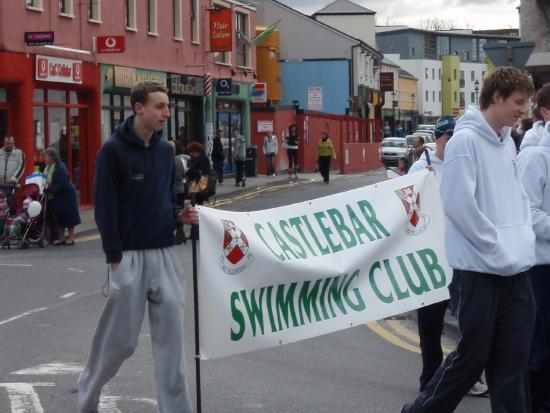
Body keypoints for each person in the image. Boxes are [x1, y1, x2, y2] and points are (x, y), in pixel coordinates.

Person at [402, 67, 536, 413]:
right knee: (471, 358)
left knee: (512, 363)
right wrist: (497, 246)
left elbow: (518, 197)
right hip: (478, 270)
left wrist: (522, 241)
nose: (523, 110)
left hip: (516, 271)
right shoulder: (465, 141)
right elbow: (460, 206)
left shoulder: (507, 142)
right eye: (518, 102)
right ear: (497, 97)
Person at [78, 81, 199, 413]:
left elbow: (162, 202)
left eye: (167, 106)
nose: (166, 112)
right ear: (138, 107)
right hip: (128, 257)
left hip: (165, 255)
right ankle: (87, 393)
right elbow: (105, 208)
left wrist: (180, 216)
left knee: (172, 346)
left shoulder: (166, 152)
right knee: (121, 345)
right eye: (159, 106)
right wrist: (114, 260)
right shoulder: (113, 151)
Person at [517, 83, 550, 413]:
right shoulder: (534, 156)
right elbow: (529, 213)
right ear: (545, 113)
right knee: (539, 353)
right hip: (540, 269)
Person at [43, 147, 80, 246]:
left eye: (46, 156)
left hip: (66, 196)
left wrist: (48, 187)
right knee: (59, 217)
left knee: (69, 217)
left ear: (52, 157)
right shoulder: (48, 167)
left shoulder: (60, 168)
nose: (44, 158)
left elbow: (63, 184)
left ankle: (71, 238)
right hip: (57, 196)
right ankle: (61, 238)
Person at [168, 140, 188, 245]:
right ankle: (181, 234)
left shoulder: (169, 161)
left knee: (174, 212)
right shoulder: (181, 159)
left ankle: (179, 235)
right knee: (179, 210)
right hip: (181, 189)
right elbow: (185, 173)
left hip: (173, 190)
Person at [0, 135, 26, 206]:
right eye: (7, 143)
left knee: (10, 206)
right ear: (4, 143)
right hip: (0, 185)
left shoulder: (19, 153)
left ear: (14, 143)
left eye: (11, 143)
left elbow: (22, 166)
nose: (9, 145)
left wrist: (15, 178)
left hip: (12, 186)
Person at [186, 141, 211, 205]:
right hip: (193, 184)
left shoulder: (203, 158)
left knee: (198, 203)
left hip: (199, 184)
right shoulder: (193, 159)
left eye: (192, 151)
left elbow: (206, 172)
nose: (191, 153)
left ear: (196, 150)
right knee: (194, 203)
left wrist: (191, 171)